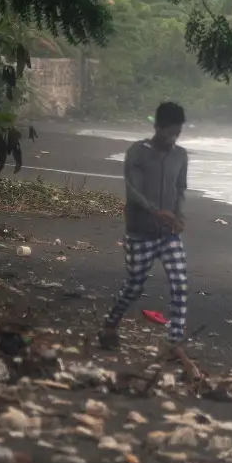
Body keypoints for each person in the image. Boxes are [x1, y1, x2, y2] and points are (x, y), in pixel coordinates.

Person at [98, 101, 190, 351]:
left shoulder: (180, 155)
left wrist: (180, 216)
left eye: (178, 133)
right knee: (134, 287)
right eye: (170, 132)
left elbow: (180, 189)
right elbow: (133, 191)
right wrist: (155, 211)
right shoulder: (137, 152)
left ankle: (175, 342)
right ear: (157, 127)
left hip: (168, 234)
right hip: (140, 232)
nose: (173, 138)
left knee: (180, 284)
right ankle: (110, 324)